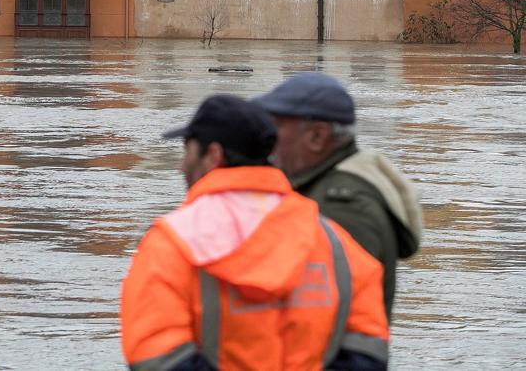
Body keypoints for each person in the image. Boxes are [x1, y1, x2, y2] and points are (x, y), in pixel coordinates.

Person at [121, 95, 389, 371]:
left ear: (214, 155)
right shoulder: (334, 241)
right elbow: (368, 348)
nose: (181, 165)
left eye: (187, 151)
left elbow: (156, 356)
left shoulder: (171, 243)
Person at [255, 73, 423, 319]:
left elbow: (325, 318)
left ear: (317, 137)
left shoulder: (342, 207)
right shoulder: (327, 187)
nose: (269, 139)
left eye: (277, 127)